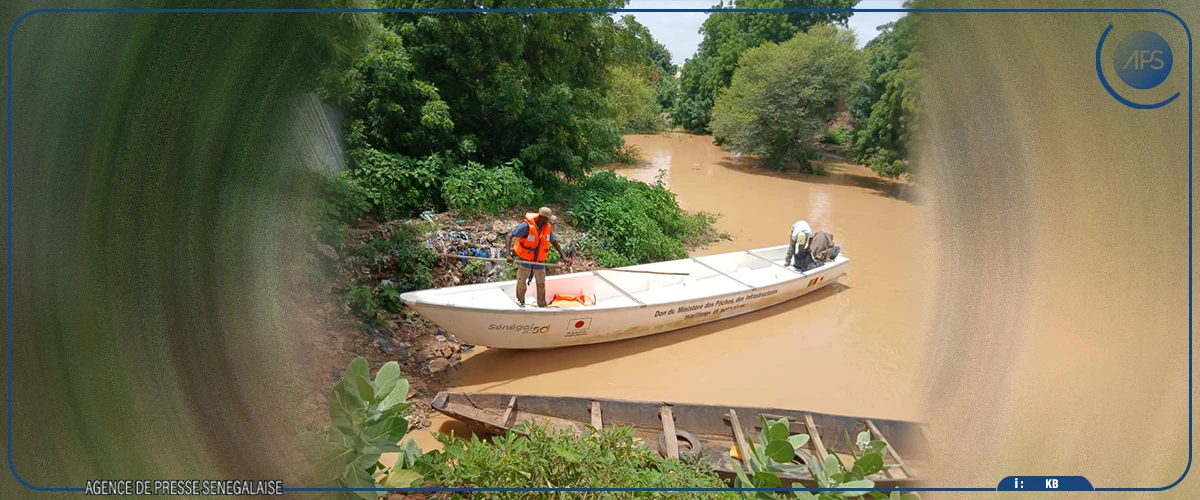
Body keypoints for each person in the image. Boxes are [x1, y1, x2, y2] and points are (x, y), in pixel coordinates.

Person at [506, 207, 573, 307]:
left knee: (541, 284)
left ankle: (541, 305)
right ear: (542, 217)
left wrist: (563, 256)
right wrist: (508, 254)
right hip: (526, 260)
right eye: (548, 219)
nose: (549, 221)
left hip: (540, 261)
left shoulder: (546, 227)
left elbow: (554, 242)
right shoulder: (526, 226)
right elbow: (509, 236)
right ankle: (520, 302)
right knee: (521, 282)